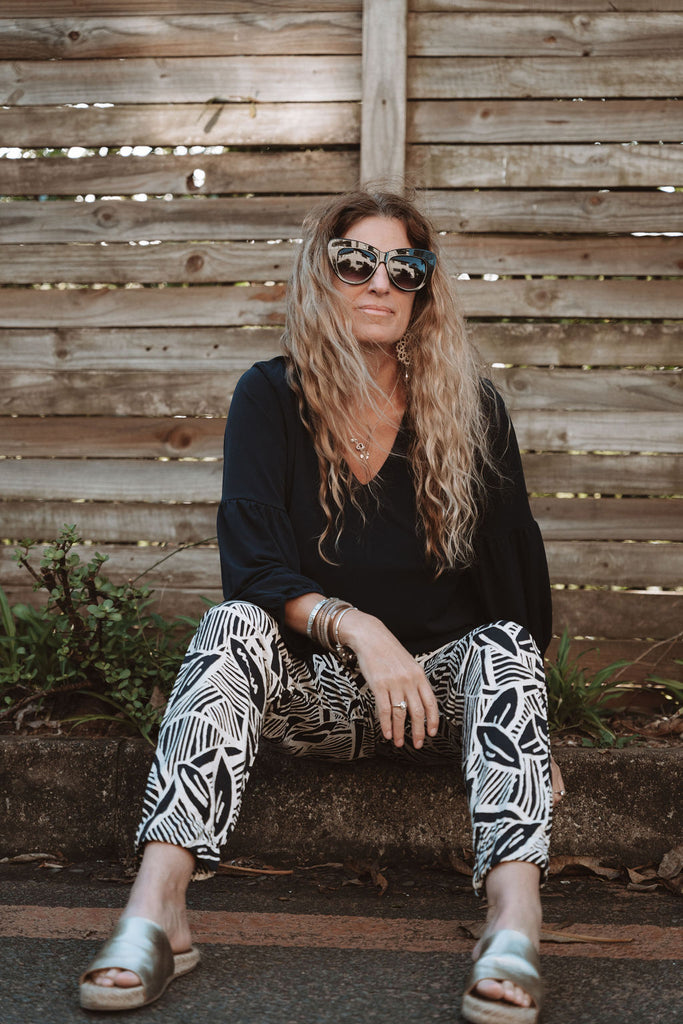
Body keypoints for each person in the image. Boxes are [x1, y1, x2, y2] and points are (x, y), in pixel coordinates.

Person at [79, 187, 565, 1022]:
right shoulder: (270, 396)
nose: (380, 282)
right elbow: (253, 570)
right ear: (321, 275)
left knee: (504, 646)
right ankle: (157, 914)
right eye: (356, 262)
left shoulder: (472, 408)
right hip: (310, 698)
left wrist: (530, 726)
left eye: (405, 267)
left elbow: (514, 589)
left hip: (433, 707)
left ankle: (512, 923)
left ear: (424, 290)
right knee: (231, 624)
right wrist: (359, 629)